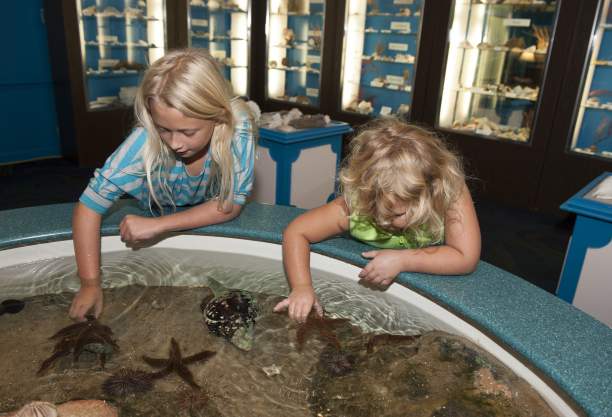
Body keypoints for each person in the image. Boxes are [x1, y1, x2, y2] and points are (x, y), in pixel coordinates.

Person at [69, 49, 256, 321]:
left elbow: (229, 204)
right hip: (157, 201)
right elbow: (88, 207)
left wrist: (159, 225)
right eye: (164, 129)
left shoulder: (238, 128)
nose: (174, 143)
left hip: (200, 204)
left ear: (218, 118)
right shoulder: (143, 141)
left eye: (187, 132)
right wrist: (90, 284)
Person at [274, 118, 481, 322]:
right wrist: (302, 286)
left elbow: (465, 257)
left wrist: (402, 260)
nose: (382, 222)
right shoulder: (357, 204)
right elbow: (296, 232)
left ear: (428, 196)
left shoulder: (448, 191)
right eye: (375, 213)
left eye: (396, 215)